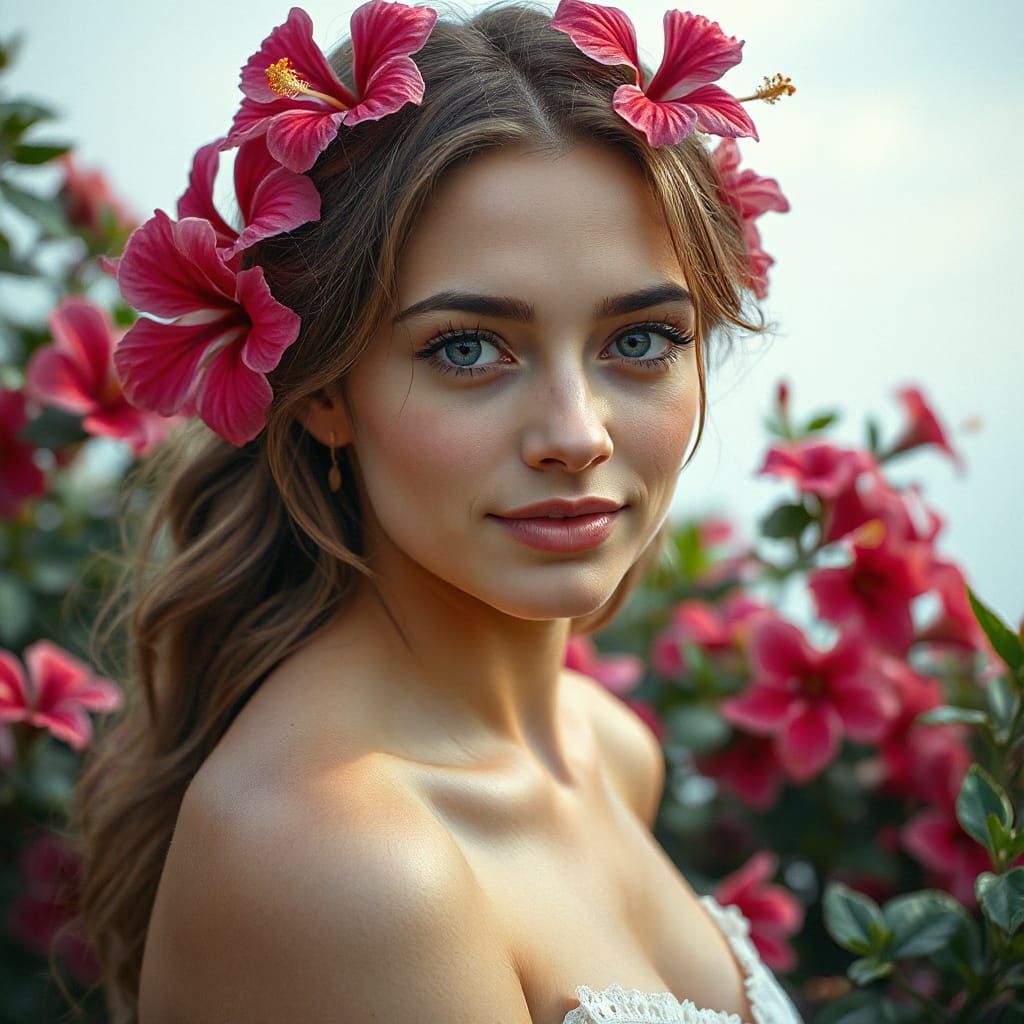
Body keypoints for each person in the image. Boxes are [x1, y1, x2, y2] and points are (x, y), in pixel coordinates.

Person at [68, 2, 802, 1022]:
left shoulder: (607, 747)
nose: (575, 433)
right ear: (322, 388)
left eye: (639, 340)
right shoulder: (337, 859)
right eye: (467, 347)